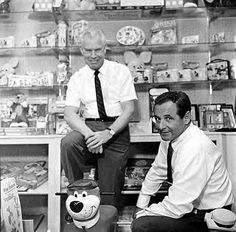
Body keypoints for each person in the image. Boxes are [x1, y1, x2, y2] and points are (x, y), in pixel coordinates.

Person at [132, 91, 234, 232]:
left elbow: (178, 206)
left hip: (209, 216)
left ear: (186, 117)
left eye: (168, 118)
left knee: (142, 225)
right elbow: (158, 171)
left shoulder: (195, 147)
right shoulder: (171, 135)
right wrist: (141, 204)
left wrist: (141, 215)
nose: (161, 126)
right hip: (189, 207)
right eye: (157, 118)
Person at [61, 28, 137, 209]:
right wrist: (90, 135)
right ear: (81, 51)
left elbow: (128, 110)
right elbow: (69, 114)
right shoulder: (77, 78)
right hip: (89, 127)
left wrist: (107, 134)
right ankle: (77, 190)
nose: (93, 55)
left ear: (105, 49)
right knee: (68, 143)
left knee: (109, 195)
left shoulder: (121, 71)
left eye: (97, 50)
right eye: (88, 50)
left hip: (116, 130)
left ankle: (107, 220)